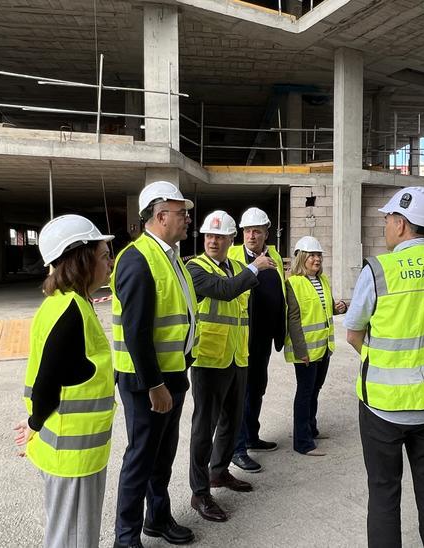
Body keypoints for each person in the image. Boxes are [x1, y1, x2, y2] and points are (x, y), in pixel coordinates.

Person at [344, 186, 424, 548]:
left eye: (387, 219)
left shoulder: (380, 270)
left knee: (384, 495)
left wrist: (381, 361)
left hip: (382, 408)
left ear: (401, 224)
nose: (385, 226)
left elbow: (353, 334)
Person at [14, 214, 116, 548]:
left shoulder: (62, 303)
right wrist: (33, 422)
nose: (109, 263)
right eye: (103, 256)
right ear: (84, 260)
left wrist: (35, 422)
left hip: (71, 450)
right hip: (73, 456)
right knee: (73, 540)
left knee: (69, 536)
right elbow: (47, 381)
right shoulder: (71, 313)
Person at [110, 181, 198, 548]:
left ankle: (157, 518)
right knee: (141, 458)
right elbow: (136, 332)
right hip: (147, 382)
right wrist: (155, 385)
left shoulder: (170, 256)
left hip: (172, 374)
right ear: (161, 216)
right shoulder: (137, 259)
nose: (188, 219)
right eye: (182, 214)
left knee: (162, 456)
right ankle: (126, 538)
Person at [185, 210, 276, 522]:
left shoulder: (237, 267)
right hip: (209, 359)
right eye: (209, 236)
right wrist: (255, 267)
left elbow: (245, 309)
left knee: (231, 422)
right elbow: (224, 291)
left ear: (229, 240)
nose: (213, 241)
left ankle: (219, 472)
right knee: (203, 428)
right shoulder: (195, 267)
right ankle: (200, 493)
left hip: (238, 357)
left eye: (219, 236)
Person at [227, 207, 304, 473]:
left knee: (257, 389)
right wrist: (253, 267)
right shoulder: (233, 256)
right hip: (241, 338)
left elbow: (278, 294)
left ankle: (251, 436)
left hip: (262, 339)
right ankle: (236, 448)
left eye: (257, 231)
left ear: (266, 233)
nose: (251, 236)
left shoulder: (272, 256)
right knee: (239, 393)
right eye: (248, 231)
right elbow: (231, 287)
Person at [283, 236, 347, 456]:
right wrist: (302, 351)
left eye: (319, 255)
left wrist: (339, 307)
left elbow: (324, 307)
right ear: (302, 258)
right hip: (307, 352)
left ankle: (310, 428)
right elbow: (293, 319)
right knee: (305, 393)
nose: (316, 259)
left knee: (314, 391)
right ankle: (302, 442)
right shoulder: (293, 283)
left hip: (324, 348)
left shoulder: (323, 280)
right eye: (312, 255)